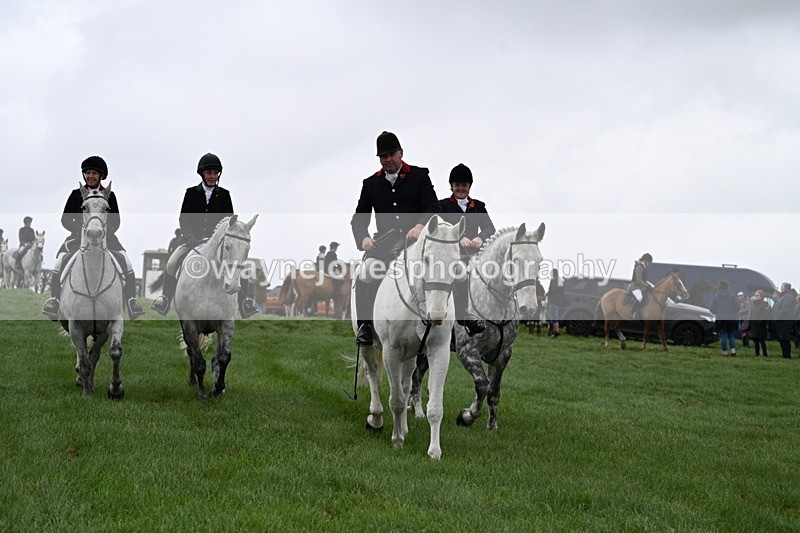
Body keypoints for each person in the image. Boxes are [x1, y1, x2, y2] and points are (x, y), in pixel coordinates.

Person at [350, 131, 484, 346]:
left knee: (455, 268)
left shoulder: (419, 175)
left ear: (401, 153)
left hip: (420, 240)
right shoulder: (370, 184)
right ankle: (365, 325)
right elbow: (359, 219)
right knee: (365, 272)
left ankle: (464, 317)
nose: (388, 160)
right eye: (383, 156)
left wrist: (420, 225)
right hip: (385, 243)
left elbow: (432, 206)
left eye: (391, 154)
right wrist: (364, 238)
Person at [151, 153, 259, 318]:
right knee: (172, 262)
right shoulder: (191, 193)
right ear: (202, 174)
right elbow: (184, 218)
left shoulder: (224, 195)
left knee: (237, 263)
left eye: (215, 173)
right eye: (209, 173)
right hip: (191, 240)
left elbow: (229, 220)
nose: (212, 176)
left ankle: (246, 302)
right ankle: (165, 299)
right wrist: (189, 237)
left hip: (217, 242)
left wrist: (220, 238)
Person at [41, 156, 145, 320]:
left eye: (94, 173)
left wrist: (103, 233)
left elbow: (116, 221)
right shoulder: (76, 195)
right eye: (87, 173)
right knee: (60, 261)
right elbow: (66, 219)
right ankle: (54, 301)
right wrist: (82, 232)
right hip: (78, 238)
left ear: (101, 176)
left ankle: (132, 301)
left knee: (126, 261)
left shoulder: (110, 195)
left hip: (106, 238)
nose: (90, 176)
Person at [437, 163, 497, 331]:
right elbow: (441, 227)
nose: (460, 188)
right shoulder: (442, 206)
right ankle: (463, 317)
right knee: (460, 274)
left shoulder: (478, 206)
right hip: (452, 255)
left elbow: (489, 228)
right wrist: (458, 238)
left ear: (469, 186)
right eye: (457, 185)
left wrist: (480, 237)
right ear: (451, 186)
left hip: (476, 256)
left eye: (464, 185)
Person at [710, 279, 740, 356]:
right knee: (731, 335)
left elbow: (712, 309)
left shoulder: (716, 297)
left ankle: (725, 352)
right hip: (731, 318)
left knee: (723, 336)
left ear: (720, 286)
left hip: (720, 318)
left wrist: (718, 312)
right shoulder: (732, 296)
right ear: (727, 286)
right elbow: (738, 307)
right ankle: (733, 351)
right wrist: (732, 312)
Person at [772, 282, 797, 359]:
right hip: (781, 321)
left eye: (782, 287)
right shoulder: (785, 296)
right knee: (781, 338)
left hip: (784, 321)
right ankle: (784, 354)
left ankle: (787, 355)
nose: (780, 288)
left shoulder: (789, 296)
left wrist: (778, 317)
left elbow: (785, 309)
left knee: (785, 338)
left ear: (786, 288)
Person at [629, 253, 653, 319]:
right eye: (648, 262)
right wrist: (647, 286)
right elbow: (638, 280)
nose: (649, 264)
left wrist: (649, 285)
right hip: (635, 286)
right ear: (645, 261)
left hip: (640, 287)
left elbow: (644, 280)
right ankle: (632, 312)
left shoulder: (644, 267)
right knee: (639, 298)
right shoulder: (639, 266)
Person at [749, 290, 771, 357]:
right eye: (755, 295)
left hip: (761, 325)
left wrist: (760, 321)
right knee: (755, 340)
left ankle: (765, 354)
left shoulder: (765, 304)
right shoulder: (754, 304)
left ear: (761, 296)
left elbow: (766, 314)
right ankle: (757, 354)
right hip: (754, 324)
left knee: (762, 340)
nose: (756, 297)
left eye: (757, 295)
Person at [546, 268, 566, 337]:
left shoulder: (554, 280)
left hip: (553, 301)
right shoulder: (560, 280)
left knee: (552, 317)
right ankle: (557, 331)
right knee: (556, 317)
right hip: (559, 301)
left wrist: (546, 294)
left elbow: (552, 290)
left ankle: (554, 332)